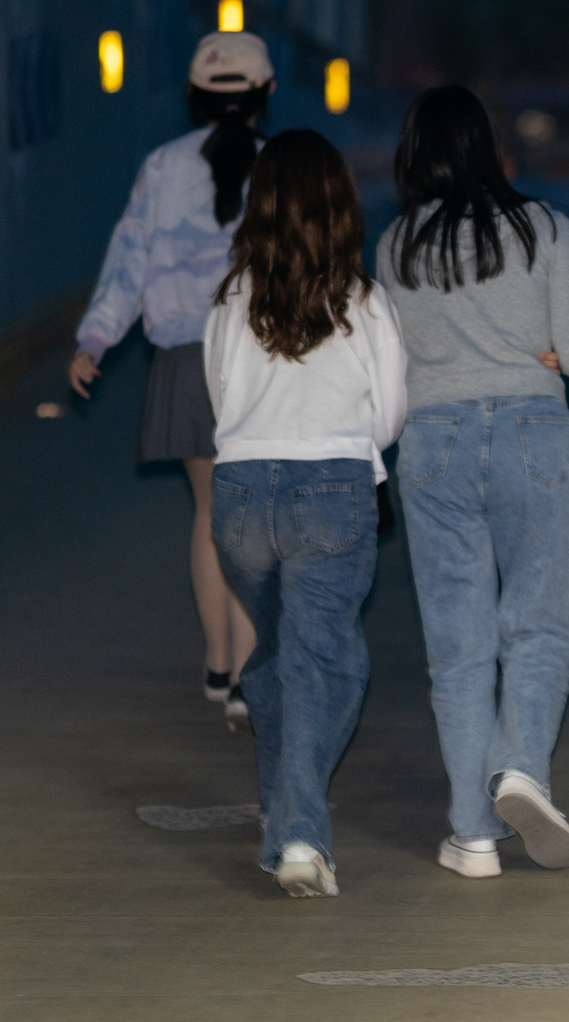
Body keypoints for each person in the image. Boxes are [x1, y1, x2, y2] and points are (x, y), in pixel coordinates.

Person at [378, 86, 569, 880]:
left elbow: (394, 359)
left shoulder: (396, 244)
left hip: (434, 440)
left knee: (457, 646)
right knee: (539, 622)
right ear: (488, 146)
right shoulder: (541, 225)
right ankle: (522, 769)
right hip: (531, 434)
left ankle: (472, 834)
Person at [202, 128, 406, 897]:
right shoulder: (363, 301)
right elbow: (388, 416)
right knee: (326, 661)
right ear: (340, 206)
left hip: (242, 496)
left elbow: (221, 401)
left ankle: (279, 809)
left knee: (278, 654)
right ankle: (300, 835)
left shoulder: (230, 299)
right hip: (332, 487)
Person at [71, 32, 274, 726]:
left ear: (193, 97)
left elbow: (128, 264)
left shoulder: (160, 167)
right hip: (262, 360)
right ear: (266, 93)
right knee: (254, 518)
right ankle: (250, 674)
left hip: (187, 359)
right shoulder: (282, 166)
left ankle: (218, 663)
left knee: (210, 511)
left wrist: (94, 340)